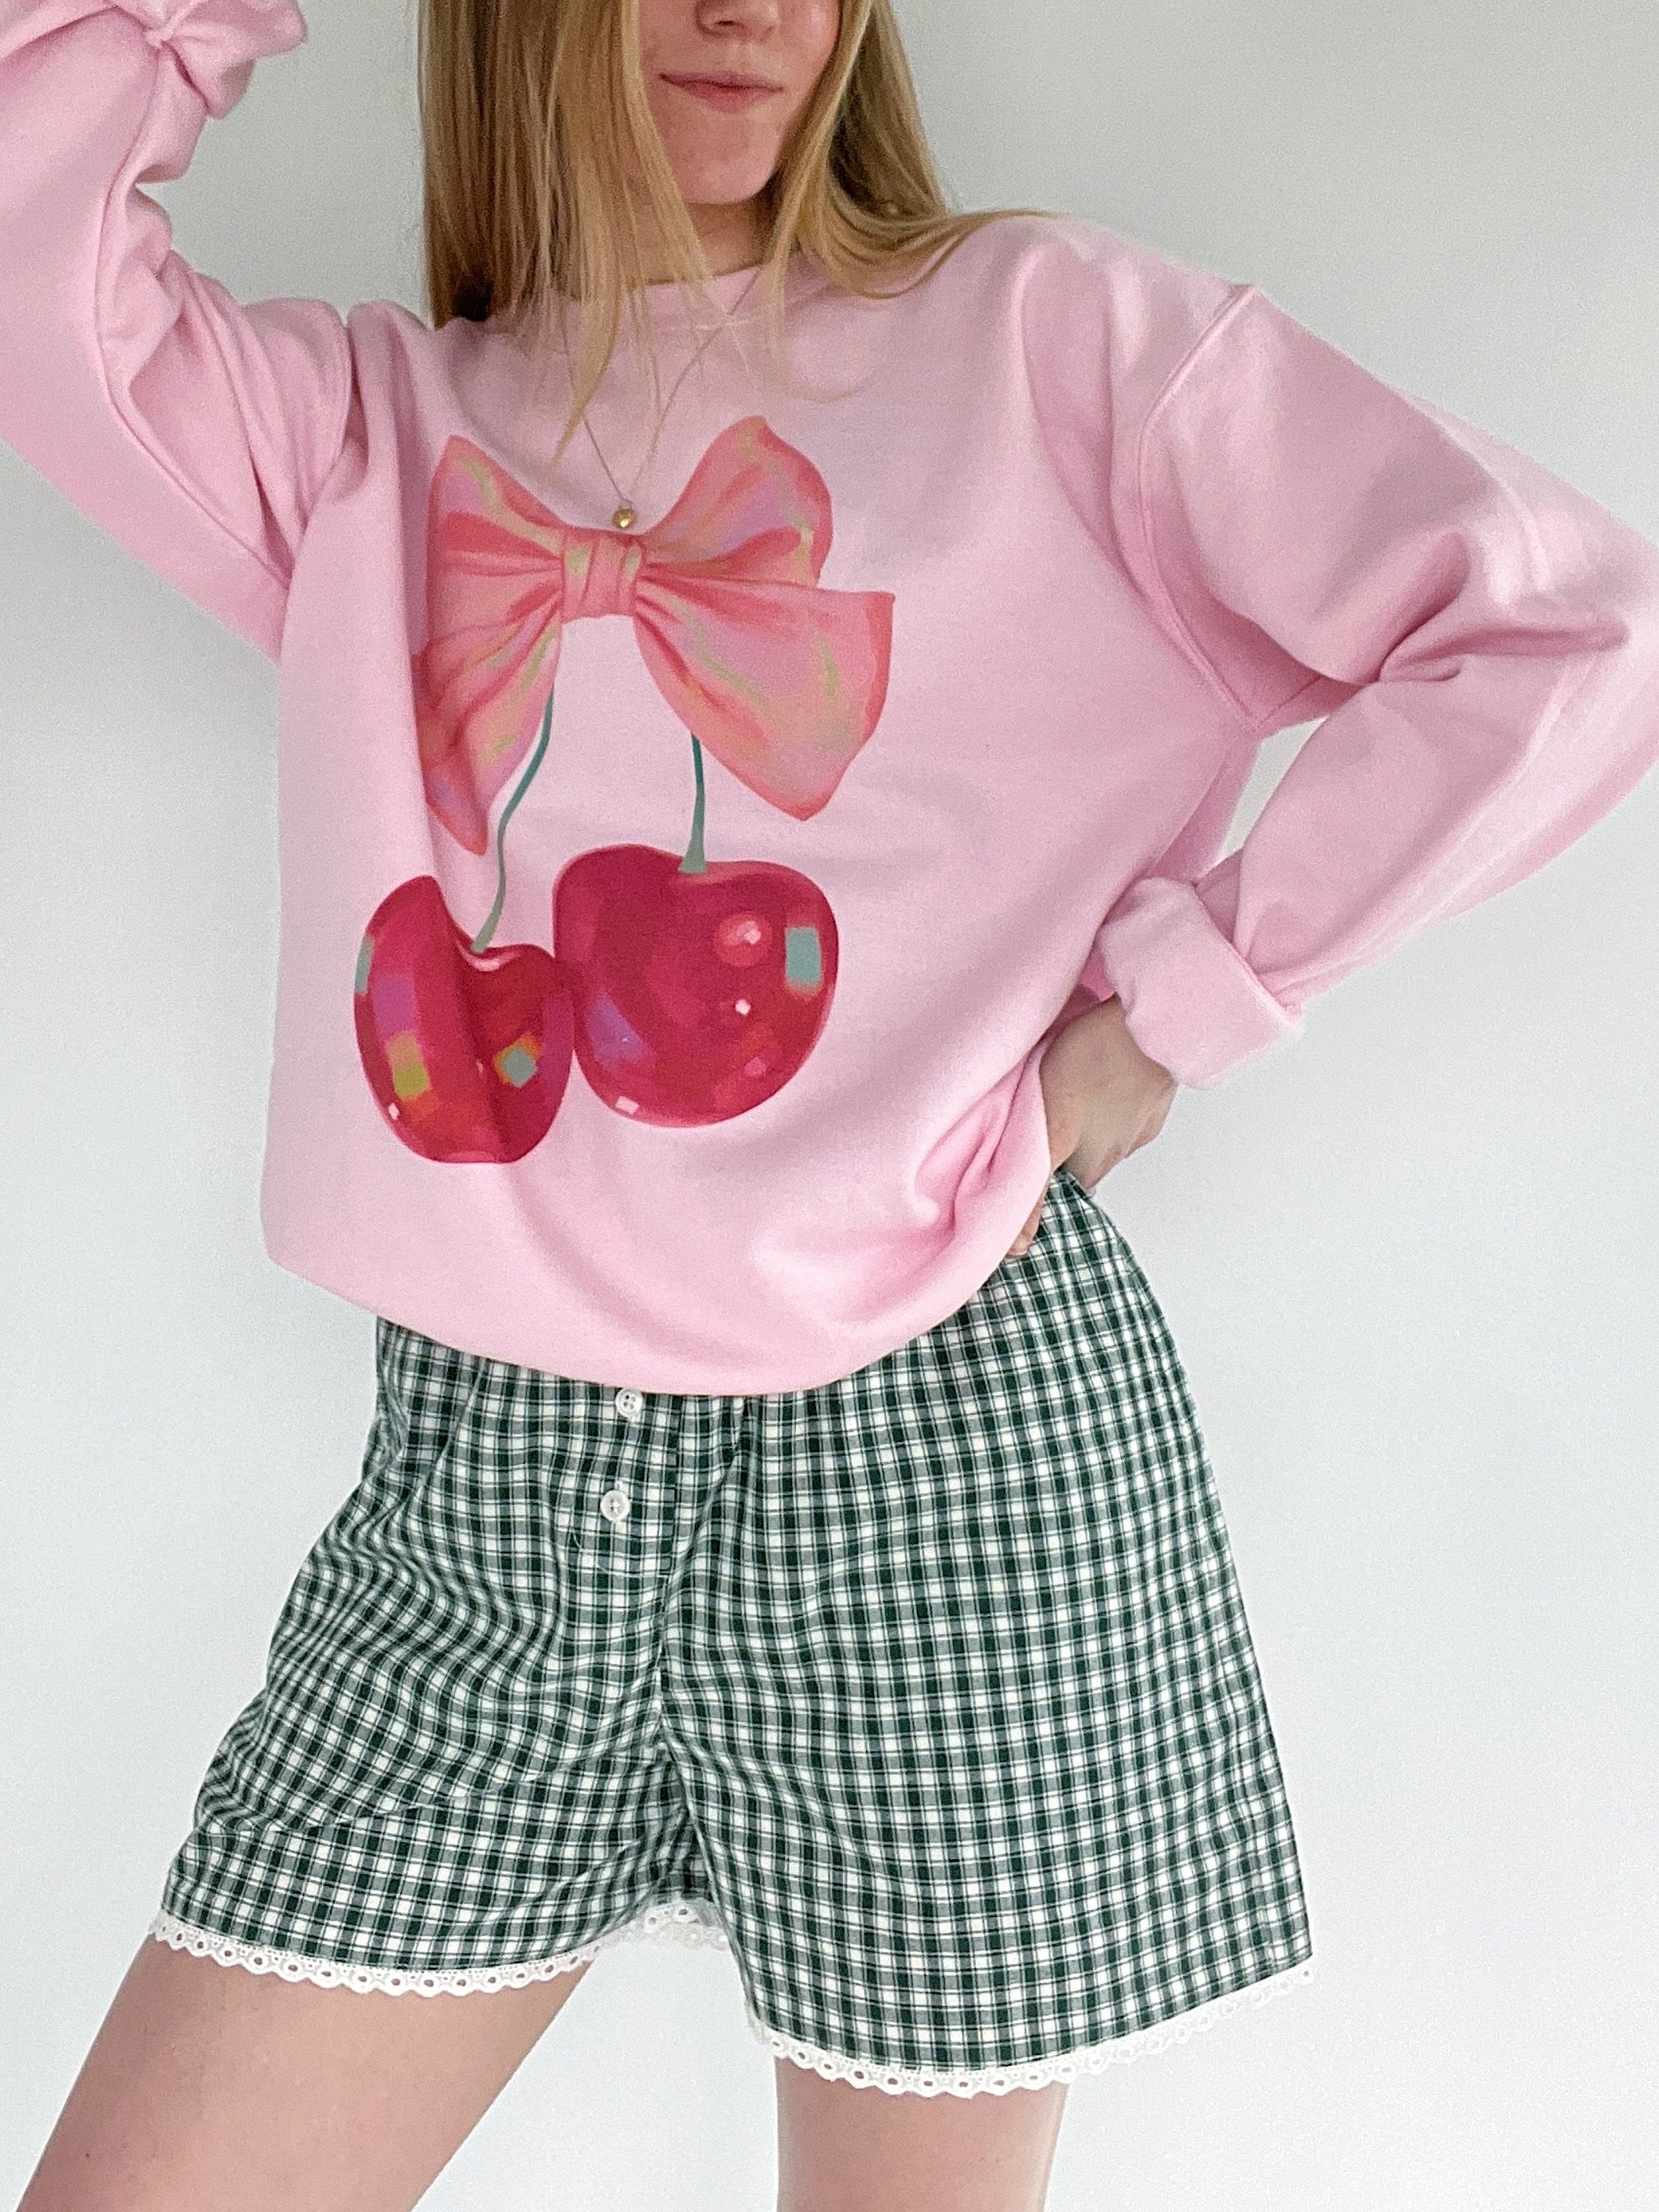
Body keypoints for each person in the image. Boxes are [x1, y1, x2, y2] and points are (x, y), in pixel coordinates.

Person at [5, 0, 1659, 2206]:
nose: (748, 12)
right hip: (481, 1521)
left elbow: (1566, 632)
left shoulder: (1057, 345)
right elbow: (31, 254)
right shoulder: (360, 439)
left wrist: (1183, 1002)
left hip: (941, 1464)